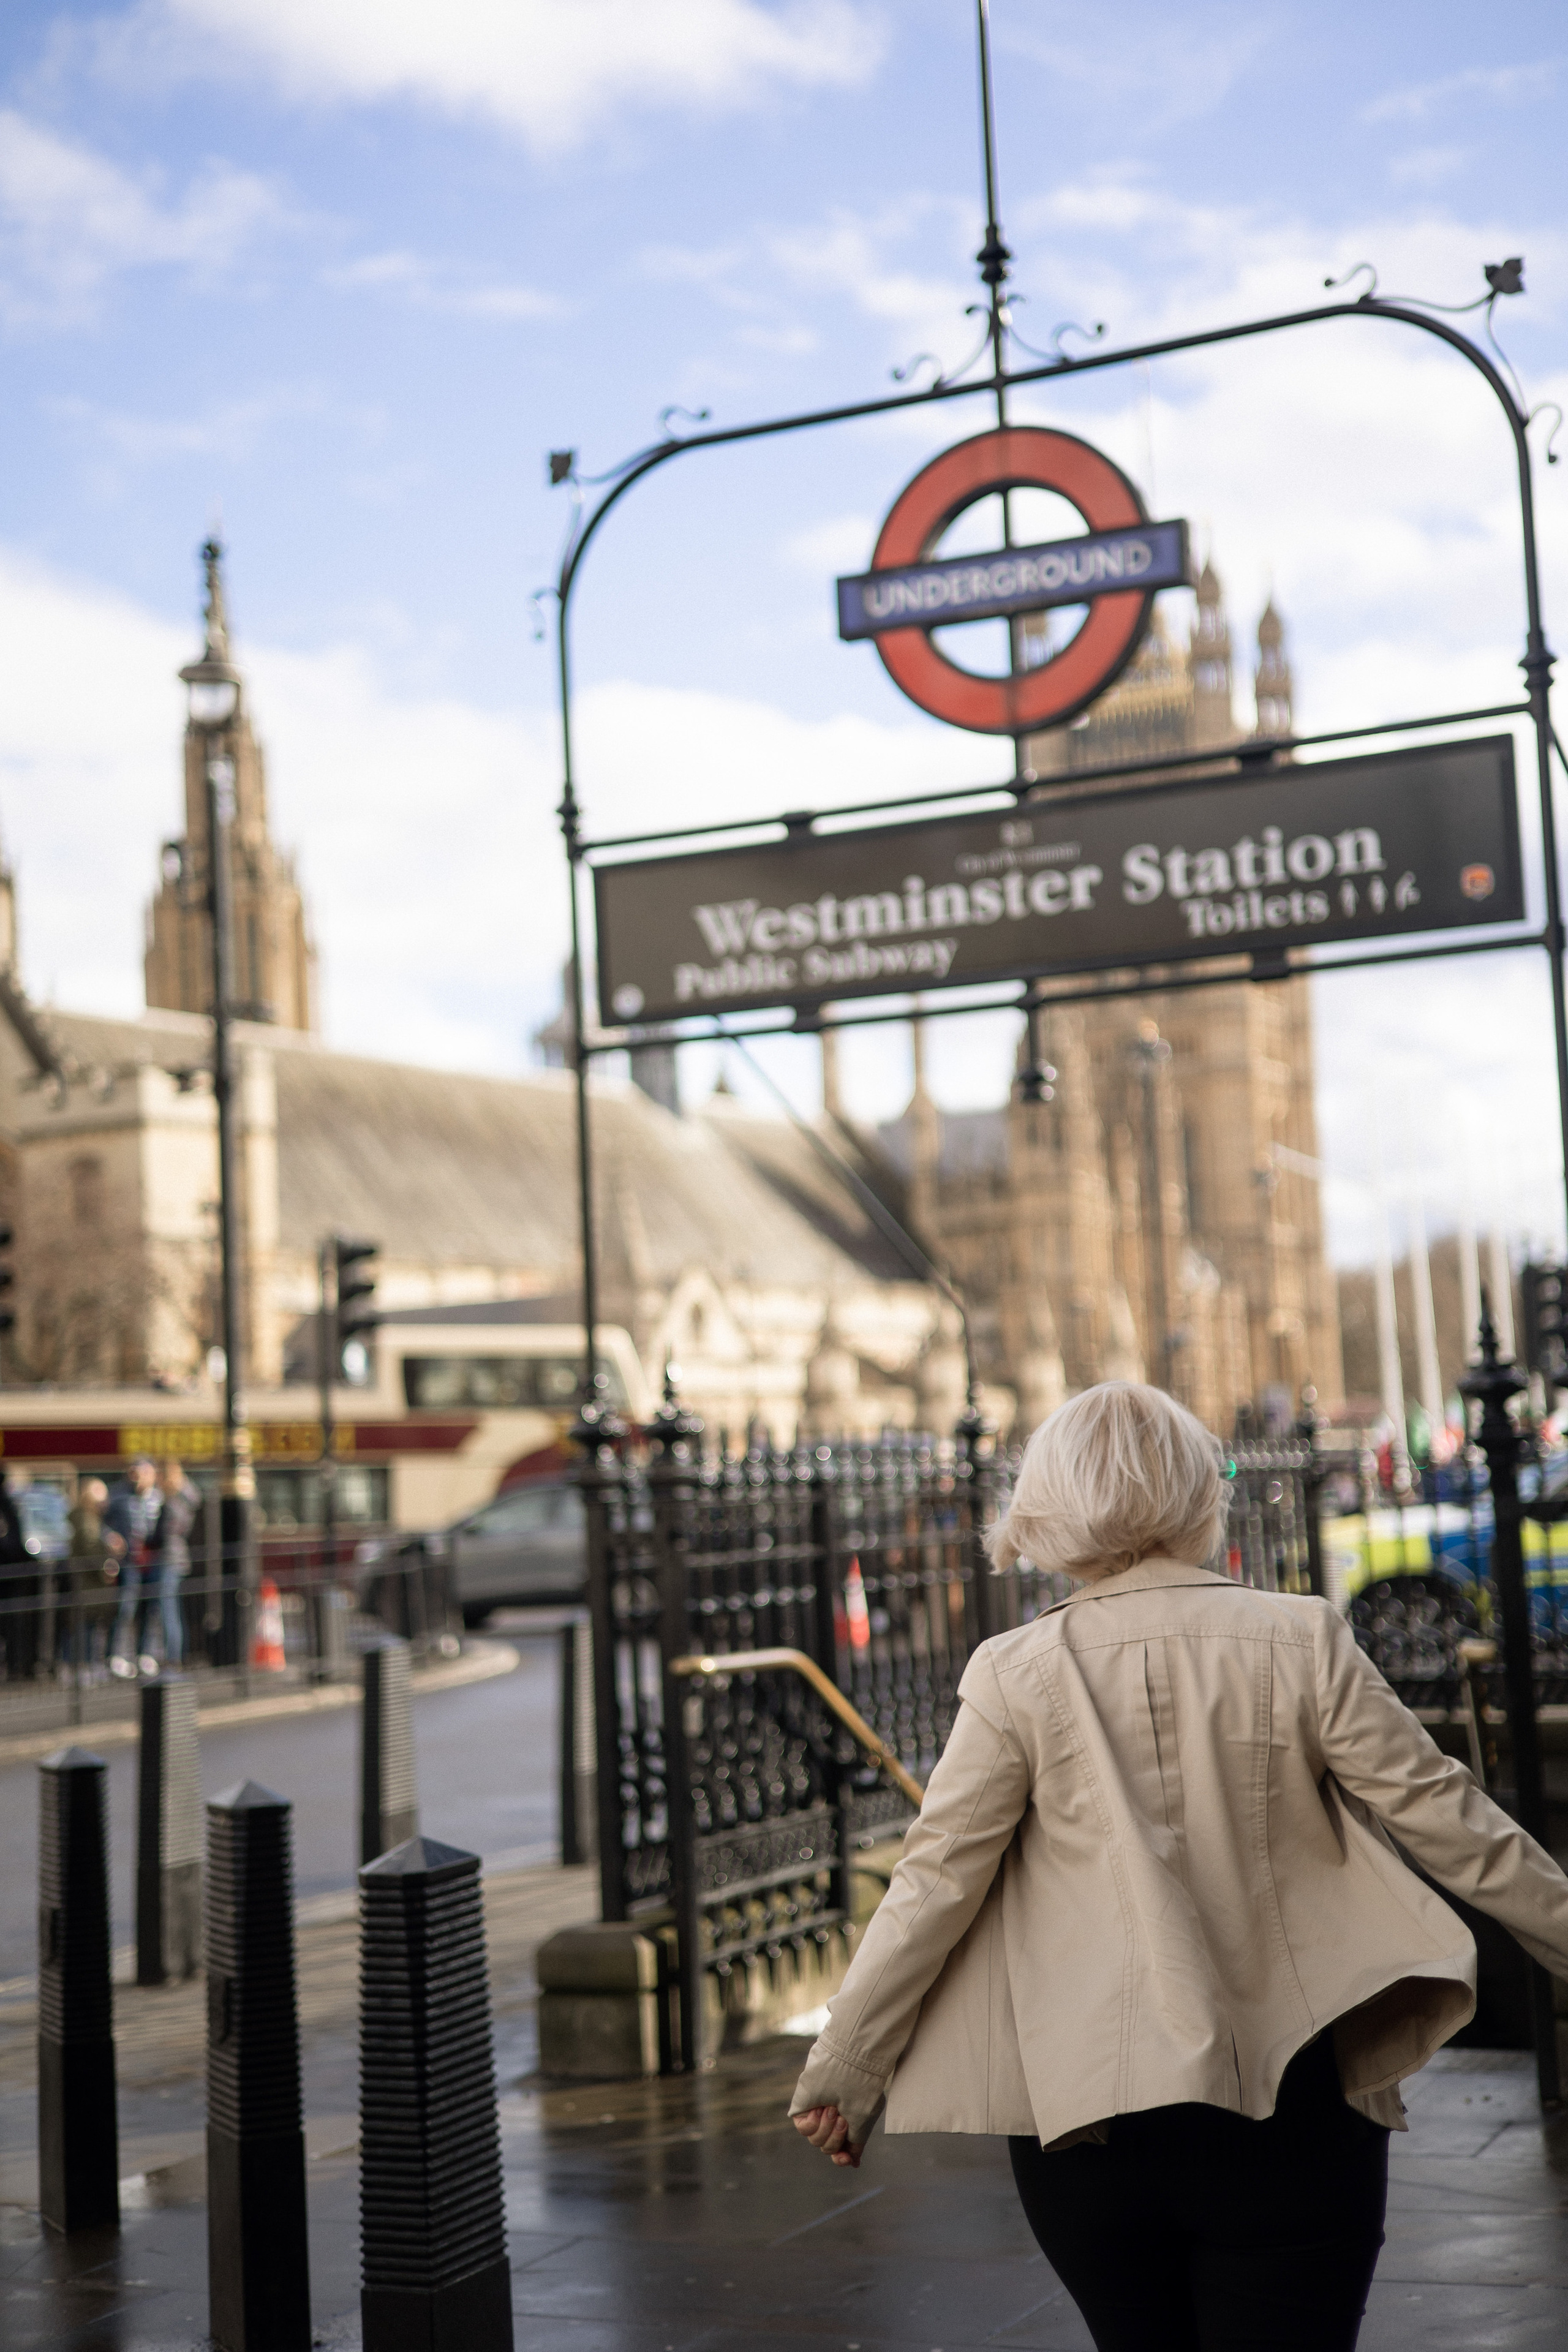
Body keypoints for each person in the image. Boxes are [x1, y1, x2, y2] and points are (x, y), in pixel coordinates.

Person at [789, 1381, 1568, 2352]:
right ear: (1202, 1493)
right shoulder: (1301, 1637)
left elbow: (934, 1883)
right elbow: (1452, 1820)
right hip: (1293, 2102)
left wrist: (848, 2067)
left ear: (1047, 1505)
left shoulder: (1014, 1670)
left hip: (1090, 2127)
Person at [106, 1457, 162, 1676]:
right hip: (128, 1562)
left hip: (152, 1562)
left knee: (150, 1610)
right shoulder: (119, 1496)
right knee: (125, 1609)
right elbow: (105, 1524)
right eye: (133, 1473)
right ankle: (116, 1655)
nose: (137, 1478)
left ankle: (145, 1655)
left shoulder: (158, 1498)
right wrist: (111, 1538)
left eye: (142, 1473)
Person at [146, 1460, 199, 1672]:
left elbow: (162, 1534)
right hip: (179, 1558)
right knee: (173, 1609)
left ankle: (173, 1656)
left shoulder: (172, 1503)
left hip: (168, 1558)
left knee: (168, 1609)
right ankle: (176, 1654)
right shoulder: (187, 1500)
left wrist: (149, 1538)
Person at [64, 1477, 114, 1683]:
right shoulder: (85, 1519)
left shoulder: (89, 1518)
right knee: (83, 1627)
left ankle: (80, 1666)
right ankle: (78, 1667)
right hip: (87, 1583)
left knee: (84, 1627)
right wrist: (106, 1566)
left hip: (88, 1583)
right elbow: (90, 1548)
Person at [0, 1466, 35, 1680]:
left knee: (13, 1624)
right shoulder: (7, 1504)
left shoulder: (8, 1504)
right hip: (9, 1573)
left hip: (9, 1576)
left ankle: (16, 1665)